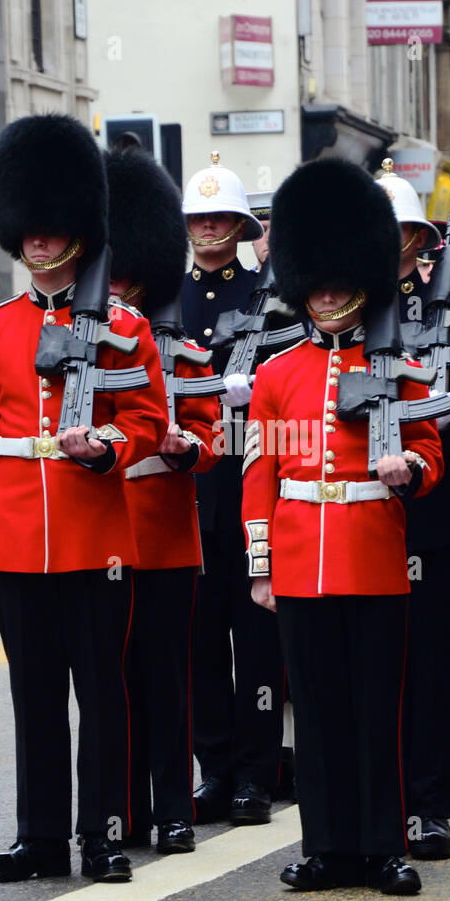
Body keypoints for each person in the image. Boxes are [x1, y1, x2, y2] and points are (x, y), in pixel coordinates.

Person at [0, 113, 168, 884]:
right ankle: (41, 837)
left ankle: (102, 835)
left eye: (52, 226)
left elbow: (147, 418)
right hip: (17, 534)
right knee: (35, 695)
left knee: (102, 695)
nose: (40, 239)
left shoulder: (125, 328)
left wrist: (107, 448)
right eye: (30, 228)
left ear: (78, 225)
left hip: (95, 535)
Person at [243, 158, 444, 893]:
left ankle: (383, 846)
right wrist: (261, 565)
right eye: (316, 285)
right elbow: (259, 477)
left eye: (339, 283)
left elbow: (429, 453)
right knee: (316, 714)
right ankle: (327, 847)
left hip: (371, 556)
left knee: (374, 711)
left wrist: (409, 473)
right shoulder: (275, 374)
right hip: (299, 562)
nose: (327, 297)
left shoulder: (403, 364)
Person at [105, 144, 221, 855]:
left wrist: (189, 449)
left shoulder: (181, 348)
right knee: (112, 682)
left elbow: (211, 434)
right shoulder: (75, 342)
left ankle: (173, 809)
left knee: (167, 680)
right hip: (101, 531)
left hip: (167, 531)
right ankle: (122, 812)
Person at [377, 162, 450, 861]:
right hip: (357, 514)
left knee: (428, 670)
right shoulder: (336, 313)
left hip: (433, 510)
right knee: (367, 668)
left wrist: (430, 423)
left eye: (400, 234)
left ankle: (427, 808)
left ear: (420, 243)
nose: (389, 244)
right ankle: (374, 804)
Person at [180, 152, 287, 826]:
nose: (209, 229)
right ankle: (213, 769)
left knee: (256, 646)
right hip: (187, 490)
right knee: (196, 645)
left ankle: (256, 771)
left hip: (248, 482)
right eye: (199, 218)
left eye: (221, 218)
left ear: (241, 226)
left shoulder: (268, 301)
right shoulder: (166, 300)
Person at [248, 191, 273, 267]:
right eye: (262, 230)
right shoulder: (241, 279)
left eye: (276, 230)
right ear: (252, 237)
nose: (269, 239)